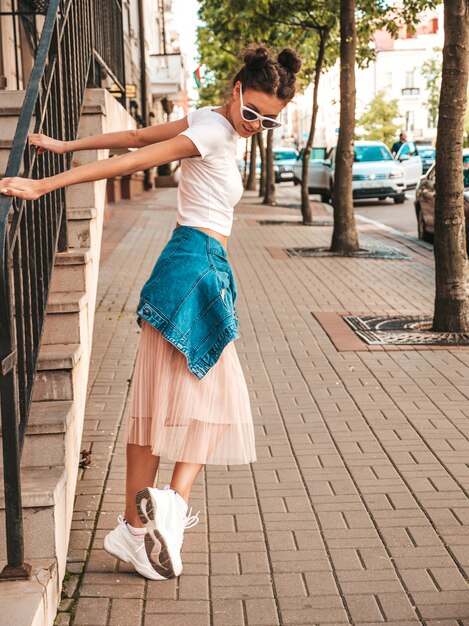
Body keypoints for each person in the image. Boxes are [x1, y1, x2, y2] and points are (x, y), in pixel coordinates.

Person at [0, 44, 302, 581]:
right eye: (252, 111)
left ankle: (133, 532)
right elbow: (137, 158)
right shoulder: (212, 130)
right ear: (237, 90)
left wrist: (66, 143)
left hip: (189, 264)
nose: (257, 124)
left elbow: (137, 134)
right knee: (220, 395)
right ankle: (172, 503)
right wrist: (46, 184)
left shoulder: (217, 123)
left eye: (270, 121)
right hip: (197, 266)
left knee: (156, 400)